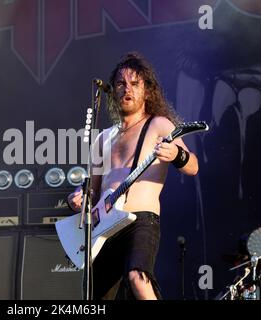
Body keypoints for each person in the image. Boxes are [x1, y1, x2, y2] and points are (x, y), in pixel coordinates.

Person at [67, 52, 199, 300]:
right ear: (113, 91)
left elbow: (193, 166)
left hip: (141, 220)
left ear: (147, 91)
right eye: (120, 83)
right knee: (95, 294)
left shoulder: (159, 125)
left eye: (135, 83)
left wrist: (176, 155)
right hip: (104, 226)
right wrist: (78, 197)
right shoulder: (102, 138)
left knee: (138, 277)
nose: (127, 88)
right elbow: (91, 191)